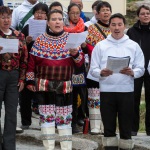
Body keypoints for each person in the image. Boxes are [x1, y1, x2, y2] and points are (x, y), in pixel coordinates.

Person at [26, 9, 84, 150]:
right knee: (47, 121)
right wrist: (29, 81)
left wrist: (76, 54)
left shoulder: (71, 39)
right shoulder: (39, 40)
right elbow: (31, 63)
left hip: (65, 86)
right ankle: (49, 148)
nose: (57, 22)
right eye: (54, 19)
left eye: (59, 19)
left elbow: (80, 63)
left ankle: (66, 148)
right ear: (48, 22)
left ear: (62, 22)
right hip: (43, 85)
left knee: (64, 121)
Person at [90, 13, 145, 150]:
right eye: (113, 24)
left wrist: (132, 72)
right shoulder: (101, 46)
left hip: (126, 91)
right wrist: (101, 73)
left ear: (124, 26)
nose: (116, 27)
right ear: (109, 26)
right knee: (108, 127)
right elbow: (92, 69)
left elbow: (141, 68)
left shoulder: (133, 46)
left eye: (119, 24)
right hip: (107, 91)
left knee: (126, 128)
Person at [81, 1, 111, 135]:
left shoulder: (115, 28)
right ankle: (95, 126)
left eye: (108, 10)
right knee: (94, 99)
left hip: (112, 71)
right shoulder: (91, 29)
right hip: (95, 68)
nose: (105, 12)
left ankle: (107, 127)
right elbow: (89, 49)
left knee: (108, 100)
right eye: (102, 10)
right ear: (97, 13)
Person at [0, 6, 28, 150]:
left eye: (8, 17)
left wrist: (22, 79)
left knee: (11, 113)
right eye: (3, 17)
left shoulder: (19, 35)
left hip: (14, 76)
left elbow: (24, 59)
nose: (6, 20)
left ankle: (9, 146)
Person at [20, 2, 48, 130]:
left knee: (44, 94)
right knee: (26, 93)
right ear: (34, 14)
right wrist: (26, 42)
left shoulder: (50, 28)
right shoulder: (27, 27)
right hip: (29, 65)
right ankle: (26, 121)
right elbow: (19, 46)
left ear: (47, 15)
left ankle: (45, 121)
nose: (40, 15)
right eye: (37, 13)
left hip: (44, 67)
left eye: (43, 13)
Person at [63, 3, 87, 133]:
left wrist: (84, 46)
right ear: (68, 13)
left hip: (78, 67)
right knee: (67, 93)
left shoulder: (84, 26)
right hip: (66, 66)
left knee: (78, 93)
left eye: (77, 13)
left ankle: (76, 121)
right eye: (72, 13)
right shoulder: (62, 27)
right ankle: (65, 121)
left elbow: (88, 50)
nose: (75, 15)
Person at [127, 5, 150, 136]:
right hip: (136, 69)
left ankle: (149, 129)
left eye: (148, 13)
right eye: (143, 14)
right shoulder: (132, 31)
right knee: (134, 99)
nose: (146, 15)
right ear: (138, 16)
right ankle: (133, 128)